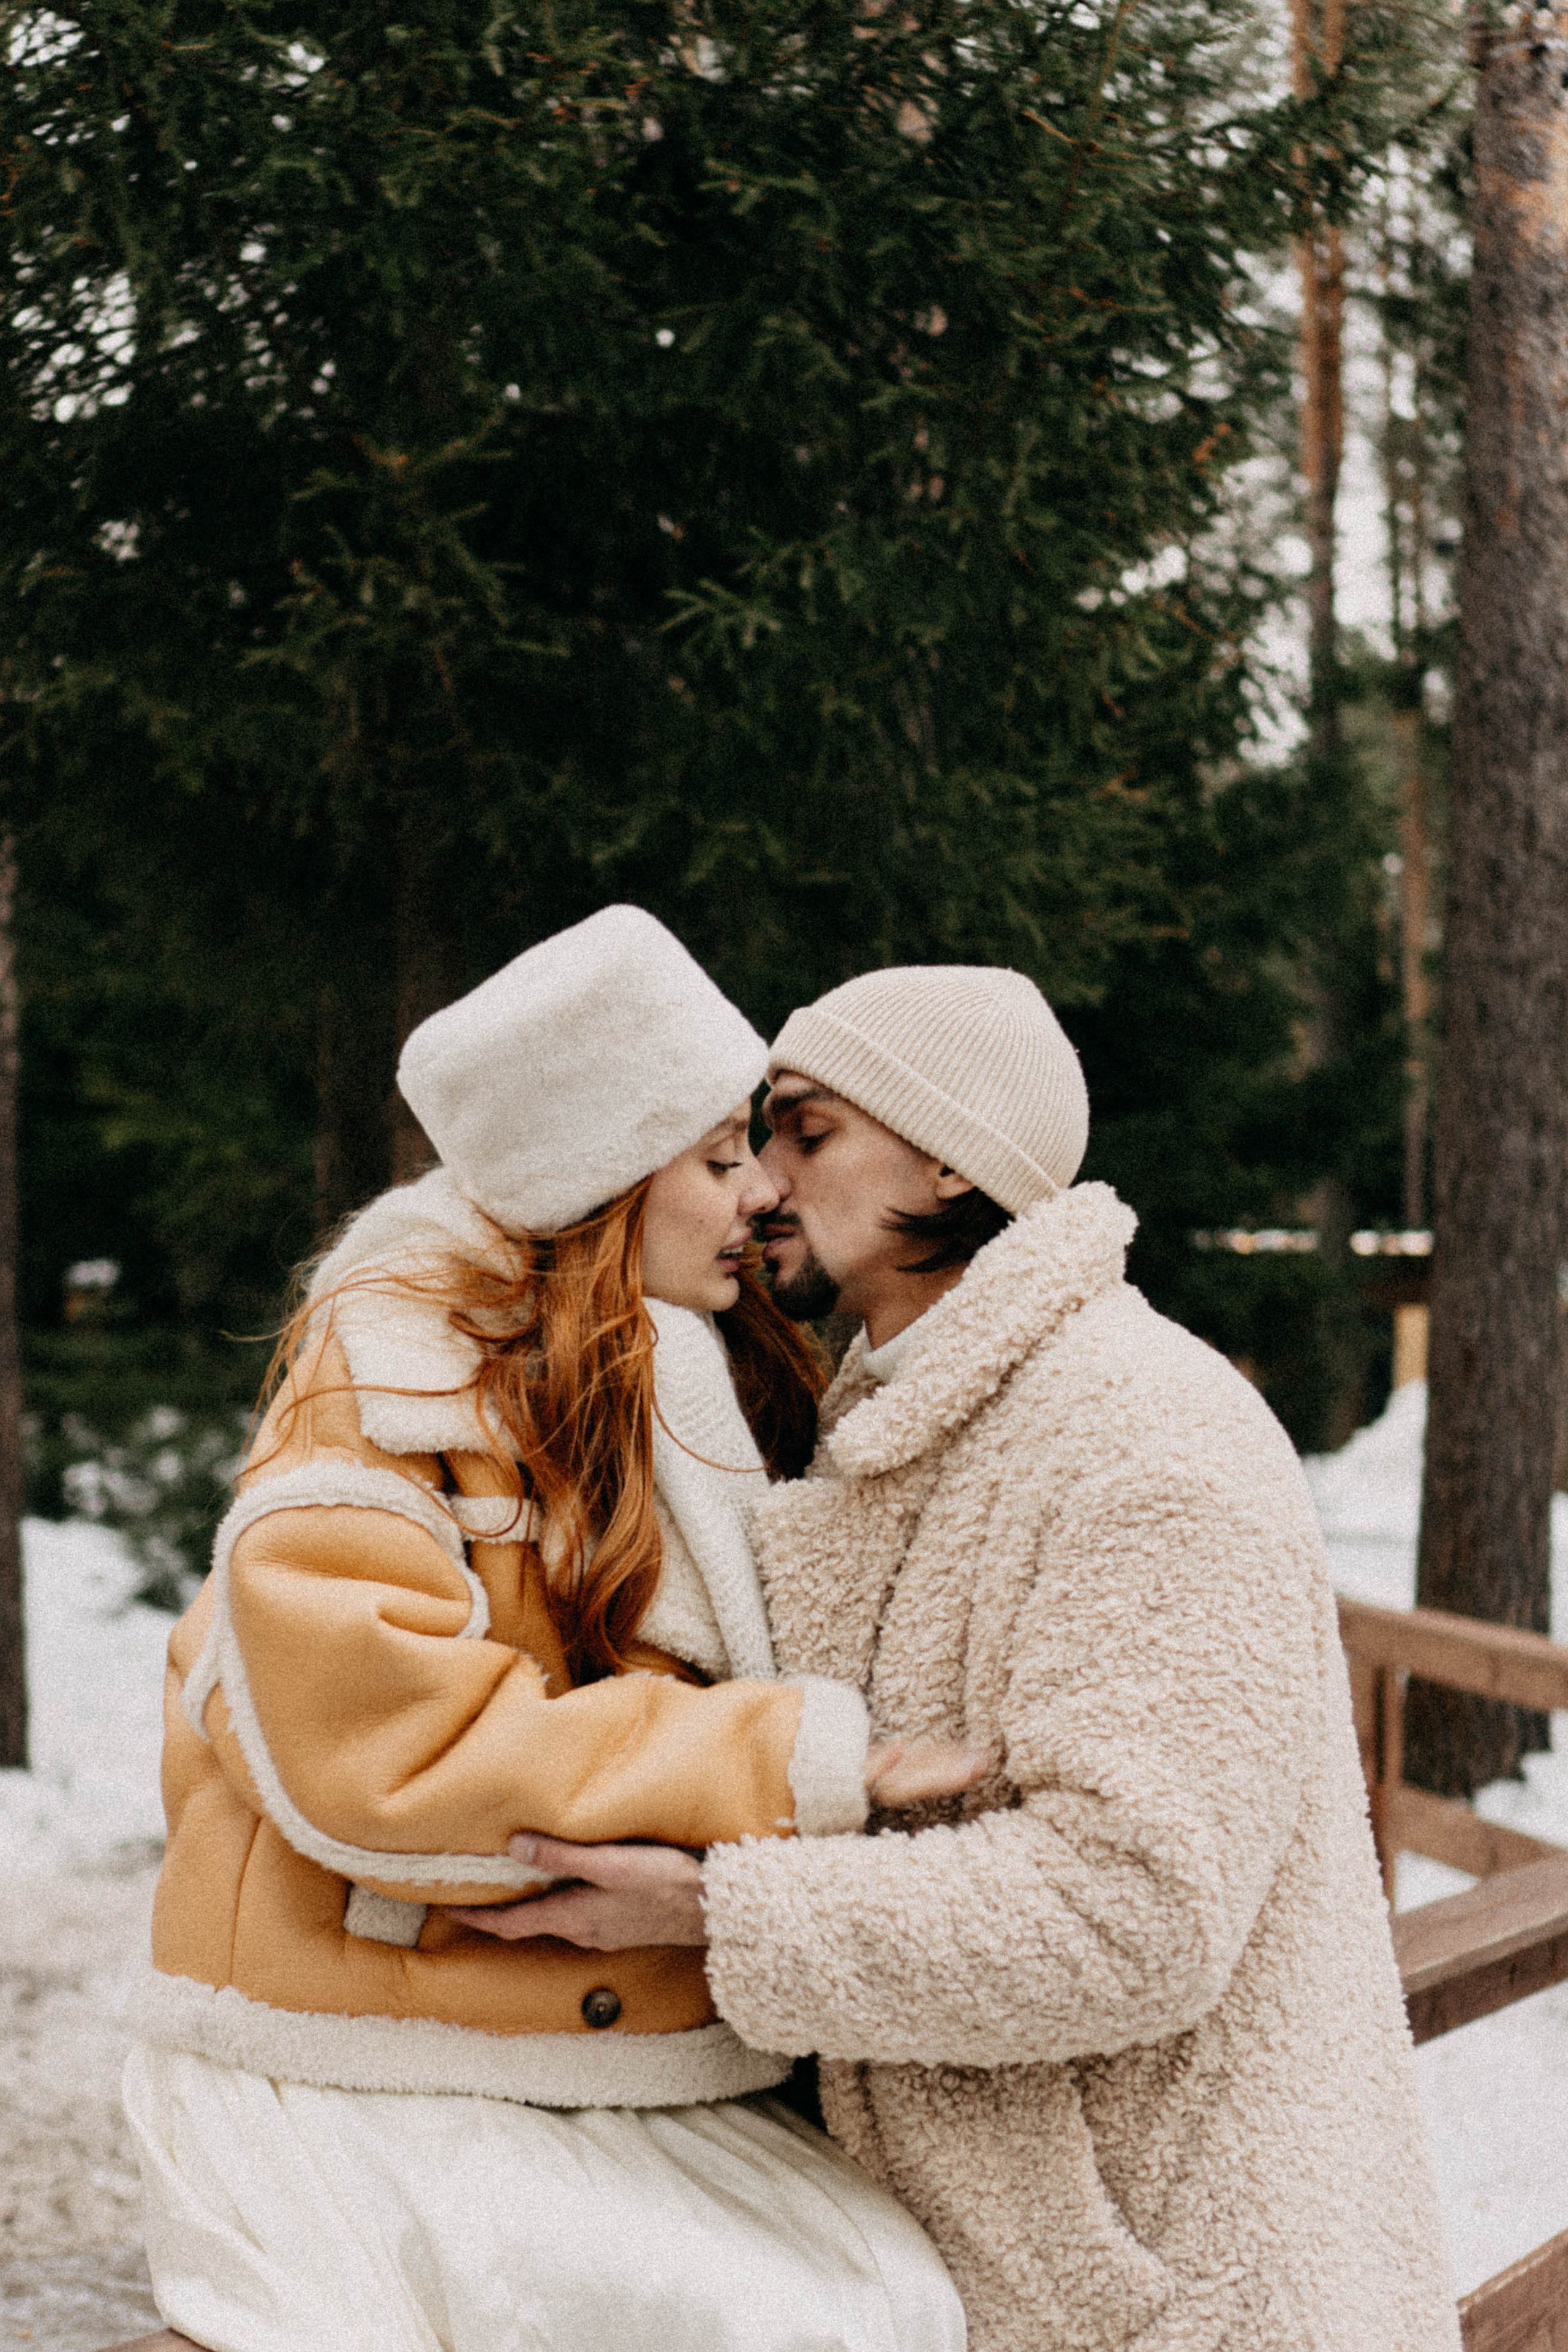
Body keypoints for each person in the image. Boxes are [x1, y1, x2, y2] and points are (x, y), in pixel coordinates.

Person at [466, 962, 1462, 2352]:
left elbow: (1135, 1913)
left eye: (805, 1132)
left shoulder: (1142, 1431)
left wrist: (719, 1914)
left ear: (947, 1151)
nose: (756, 1182)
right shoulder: (897, 1432)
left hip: (1187, 2300)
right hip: (980, 2290)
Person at [123, 908, 974, 2352]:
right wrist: (790, 1762)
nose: (763, 1193)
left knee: (892, 2306)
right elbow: (387, 1750)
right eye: (717, 1158)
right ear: (595, 1183)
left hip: (569, 2043)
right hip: (363, 2060)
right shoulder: (386, 1385)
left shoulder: (679, 1362)